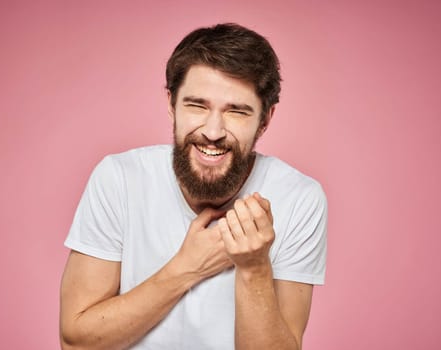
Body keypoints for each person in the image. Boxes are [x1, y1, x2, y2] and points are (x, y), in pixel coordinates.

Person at [60, 23, 327, 350]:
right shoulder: (119, 179)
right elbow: (77, 343)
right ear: (172, 104)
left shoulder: (299, 199)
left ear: (266, 119)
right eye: (197, 105)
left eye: (237, 111)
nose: (213, 131)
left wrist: (255, 268)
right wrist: (186, 268)